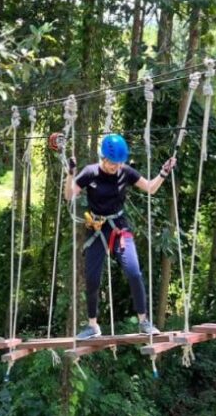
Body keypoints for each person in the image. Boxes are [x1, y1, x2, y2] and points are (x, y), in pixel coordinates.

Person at [65, 133, 176, 339]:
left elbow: (150, 188)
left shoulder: (126, 172)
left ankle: (144, 321)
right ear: (103, 158)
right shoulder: (90, 173)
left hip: (119, 227)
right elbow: (69, 195)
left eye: (118, 163)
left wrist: (163, 173)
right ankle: (92, 325)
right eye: (111, 163)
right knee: (92, 278)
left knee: (133, 271)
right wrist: (70, 174)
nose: (115, 167)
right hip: (97, 229)